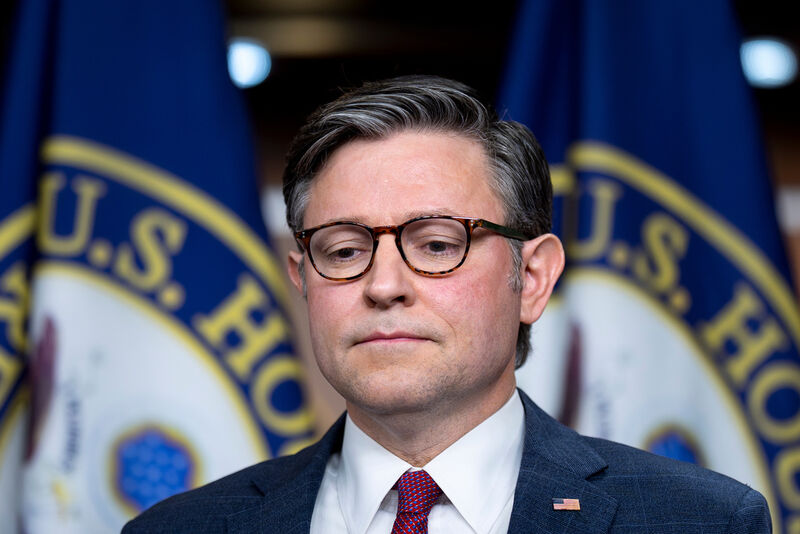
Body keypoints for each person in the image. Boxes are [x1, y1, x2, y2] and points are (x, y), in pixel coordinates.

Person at [123, 75, 771, 533]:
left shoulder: (699, 520)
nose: (384, 285)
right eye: (345, 250)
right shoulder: (184, 528)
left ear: (534, 276)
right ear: (302, 278)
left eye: (436, 244)